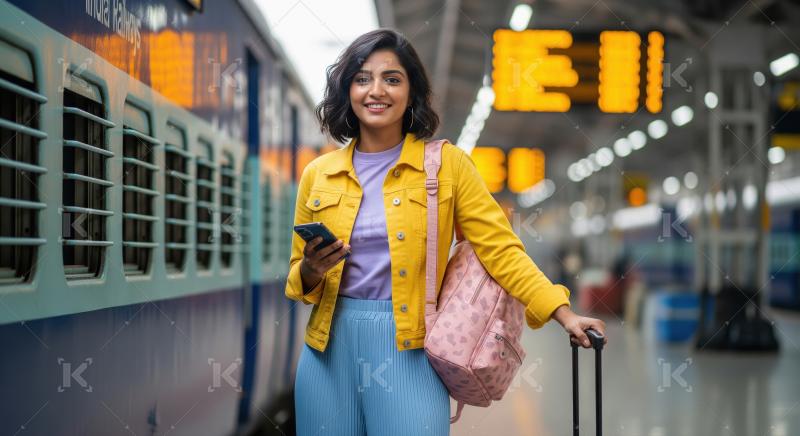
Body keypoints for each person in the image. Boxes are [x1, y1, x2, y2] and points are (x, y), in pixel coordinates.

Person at [285, 28, 607, 436]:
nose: (376, 90)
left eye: (392, 79)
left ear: (412, 92)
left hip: (411, 349)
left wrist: (563, 313)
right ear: (347, 90)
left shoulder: (447, 166)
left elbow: (501, 250)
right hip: (326, 350)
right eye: (362, 78)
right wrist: (313, 269)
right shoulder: (319, 174)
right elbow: (298, 278)